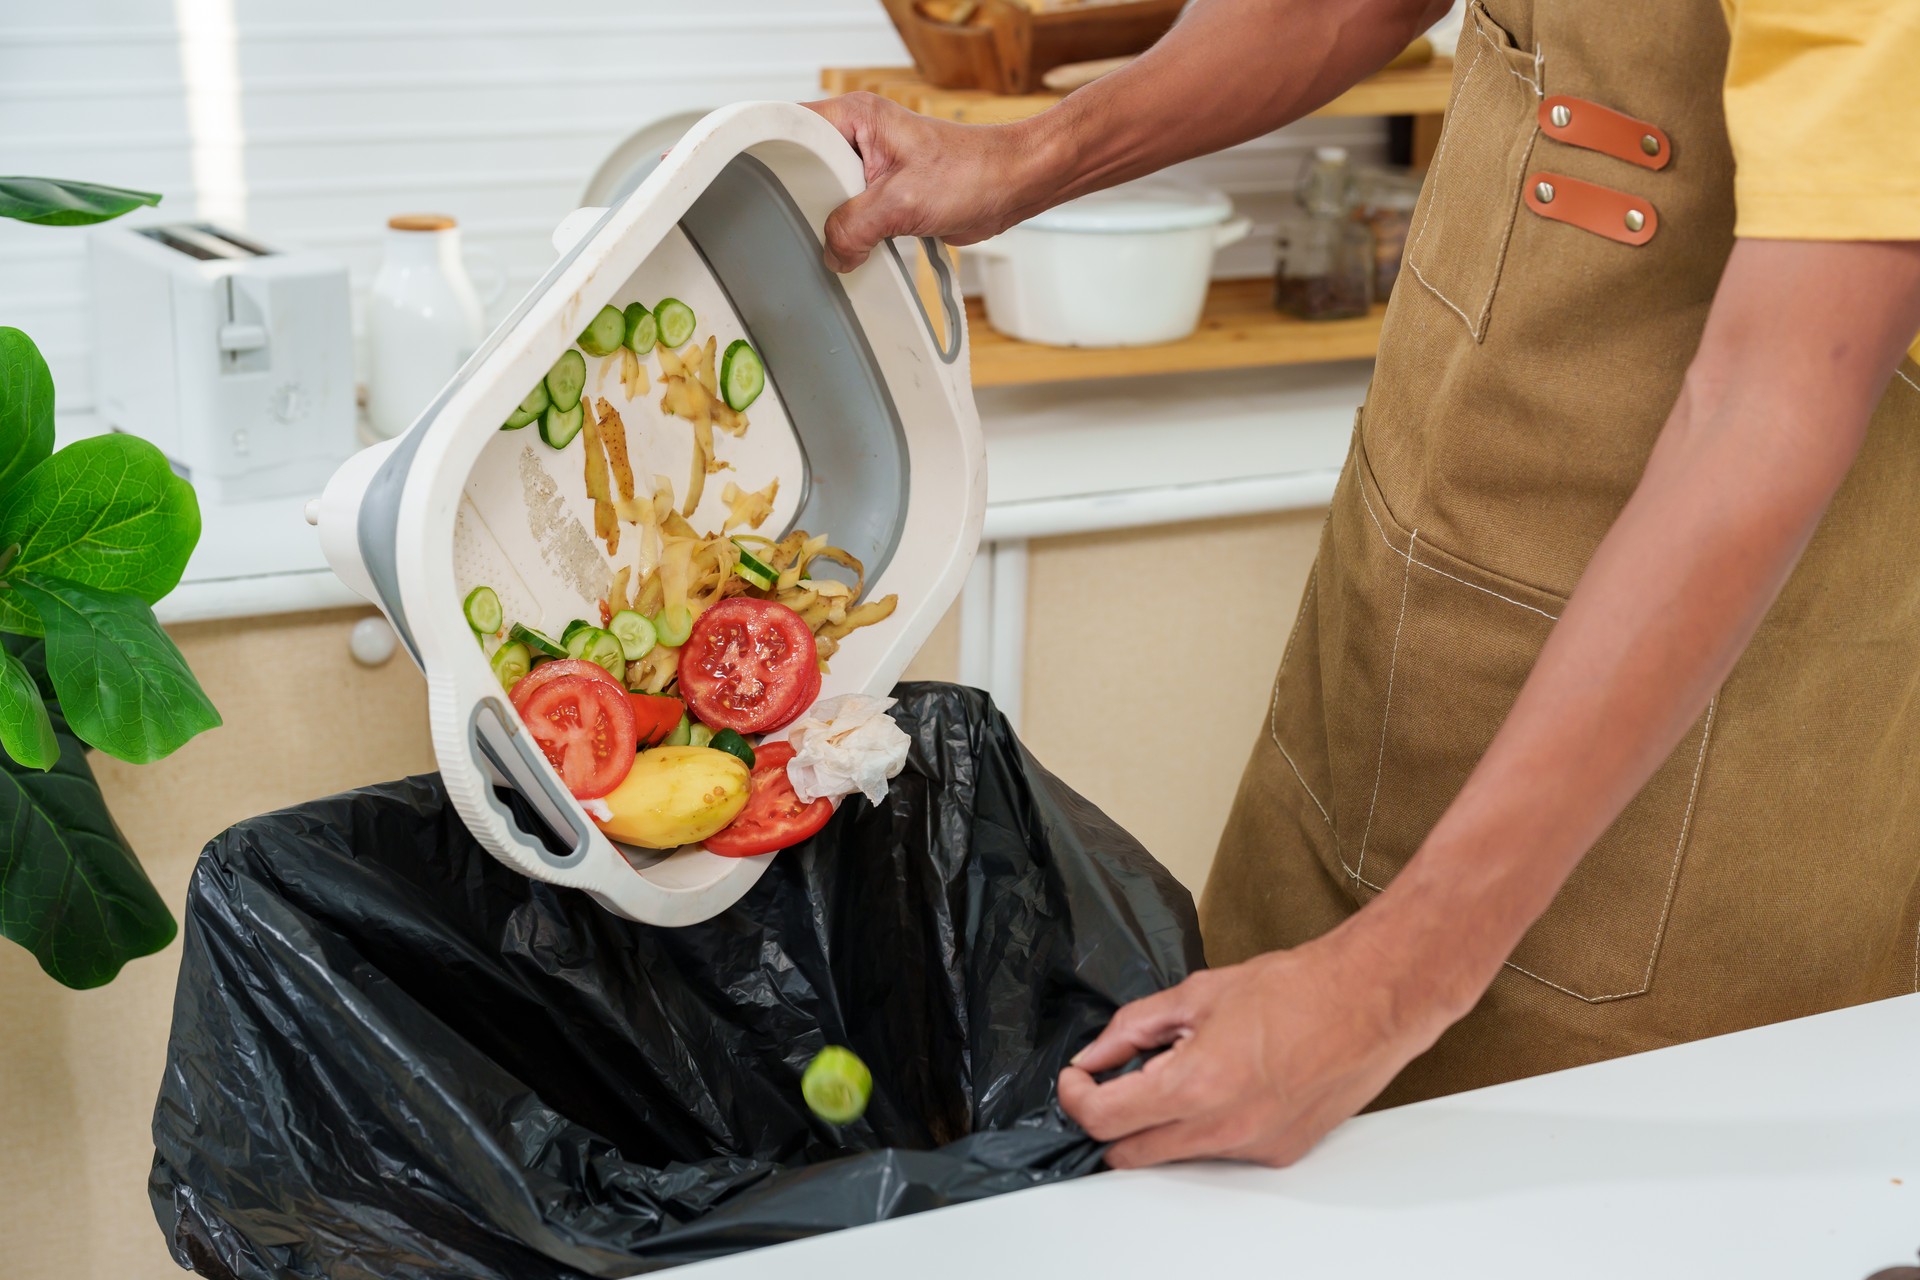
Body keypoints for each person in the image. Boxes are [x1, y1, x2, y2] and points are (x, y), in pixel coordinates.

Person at [807, 0, 1920, 1169]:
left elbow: (1775, 398)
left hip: (1689, 784)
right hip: (1408, 606)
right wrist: (1032, 153)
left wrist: (1393, 981)